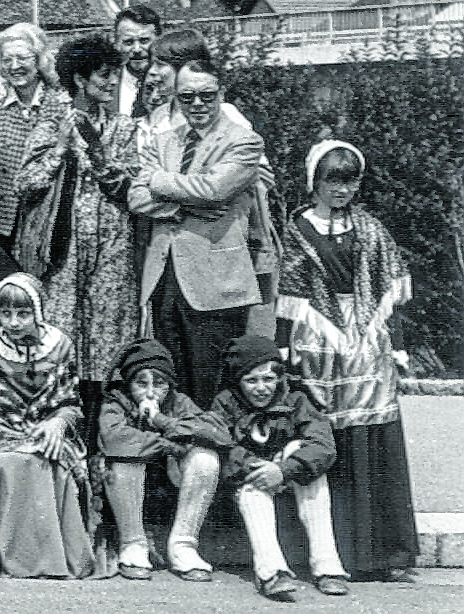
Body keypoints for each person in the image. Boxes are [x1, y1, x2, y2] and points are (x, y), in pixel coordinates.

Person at [279, 140, 418, 583]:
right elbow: (289, 293)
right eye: (332, 180)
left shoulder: (370, 227)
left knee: (372, 438)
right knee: (325, 438)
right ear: (314, 181)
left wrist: (394, 343)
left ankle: (383, 552)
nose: (341, 189)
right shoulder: (297, 228)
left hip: (366, 340)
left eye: (350, 180)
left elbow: (389, 290)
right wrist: (285, 349)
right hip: (317, 339)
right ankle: (328, 553)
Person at [16, 33, 143, 419]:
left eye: (114, 75)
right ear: (78, 79)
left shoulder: (124, 129)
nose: (111, 83)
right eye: (102, 75)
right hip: (65, 251)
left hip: (113, 250)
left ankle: (106, 427)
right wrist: (60, 149)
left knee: (110, 339)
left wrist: (100, 156)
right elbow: (27, 182)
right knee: (63, 335)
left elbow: (131, 188)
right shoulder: (52, 122)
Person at [128, 60, 265, 408]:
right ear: (176, 98)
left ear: (221, 92)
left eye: (207, 95)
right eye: (187, 97)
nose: (198, 104)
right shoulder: (161, 142)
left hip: (215, 283)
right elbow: (135, 197)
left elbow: (215, 190)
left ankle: (215, 459)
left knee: (214, 387)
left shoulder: (244, 141)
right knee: (171, 385)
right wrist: (184, 205)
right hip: (164, 276)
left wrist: (158, 182)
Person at [0, 273, 93, 579]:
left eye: (23, 314)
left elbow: (70, 402)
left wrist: (57, 425)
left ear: (38, 312)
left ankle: (58, 558)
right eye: (6, 314)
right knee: (13, 463)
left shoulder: (60, 346)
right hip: (4, 435)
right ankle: (23, 558)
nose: (14, 322)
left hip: (49, 429)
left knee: (54, 465)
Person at [210, 334, 349, 602]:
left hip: (289, 477)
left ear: (280, 377)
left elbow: (323, 445)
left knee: (305, 456)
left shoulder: (296, 400)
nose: (261, 388)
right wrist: (257, 467)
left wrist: (284, 470)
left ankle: (327, 566)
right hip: (247, 481)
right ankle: (272, 572)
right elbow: (221, 445)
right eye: (251, 380)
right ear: (238, 381)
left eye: (268, 378)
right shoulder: (226, 403)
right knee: (253, 488)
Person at [97, 338, 226, 582]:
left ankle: (183, 547)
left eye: (159, 383)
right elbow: (115, 438)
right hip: (129, 481)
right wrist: (169, 446)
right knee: (124, 460)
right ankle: (132, 544)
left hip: (169, 476)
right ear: (128, 384)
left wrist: (160, 420)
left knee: (205, 459)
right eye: (140, 383)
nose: (149, 392)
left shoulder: (178, 401)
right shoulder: (116, 401)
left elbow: (214, 432)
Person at [0, 21, 62, 252]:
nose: (15, 66)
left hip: (51, 224)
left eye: (23, 58)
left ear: (39, 60)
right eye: (7, 60)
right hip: (4, 226)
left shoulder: (62, 106)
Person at [113, 5, 163, 116]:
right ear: (117, 44)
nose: (137, 49)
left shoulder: (175, 82)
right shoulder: (105, 85)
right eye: (128, 42)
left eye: (144, 41)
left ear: (159, 41)